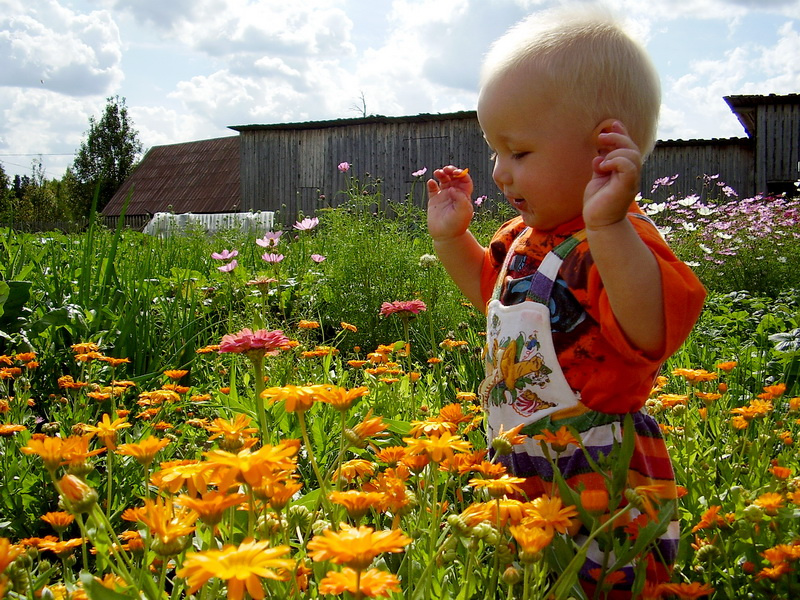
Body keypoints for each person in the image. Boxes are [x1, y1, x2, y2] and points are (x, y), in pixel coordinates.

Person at [426, 5, 706, 597]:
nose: (499, 173)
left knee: (603, 582)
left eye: (519, 153)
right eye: (495, 152)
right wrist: (452, 240)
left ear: (603, 149)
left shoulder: (616, 243)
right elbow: (492, 294)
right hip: (516, 456)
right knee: (527, 579)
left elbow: (652, 331)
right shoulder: (521, 240)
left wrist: (609, 227)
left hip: (596, 467)